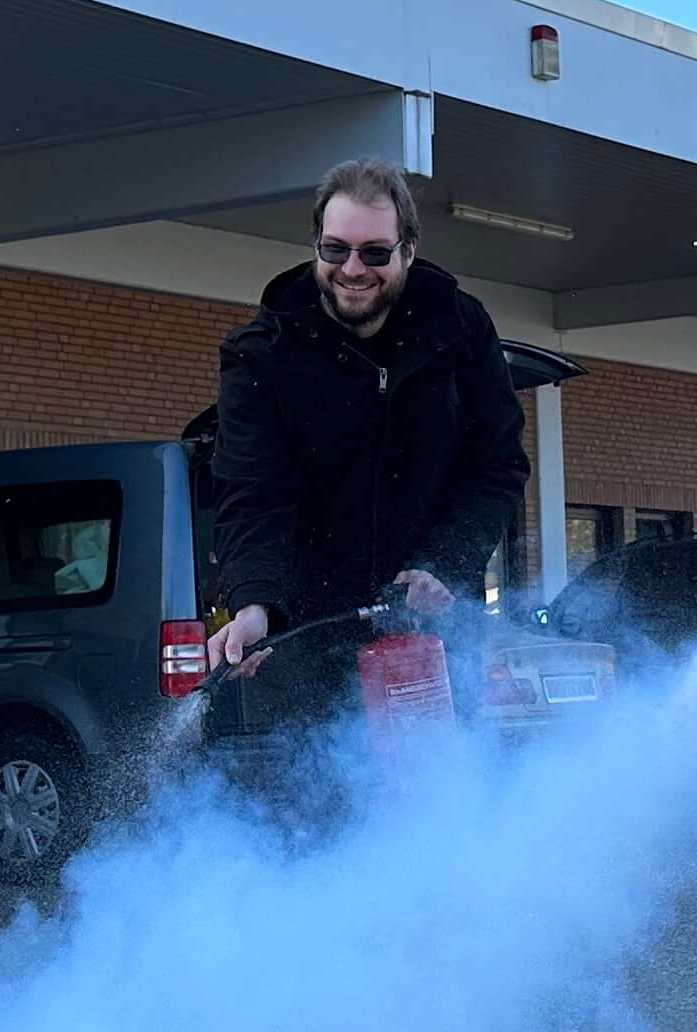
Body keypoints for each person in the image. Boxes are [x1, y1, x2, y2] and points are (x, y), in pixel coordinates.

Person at [205, 160, 529, 716]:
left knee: (445, 797)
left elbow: (496, 468)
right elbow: (252, 489)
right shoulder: (261, 353)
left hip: (433, 637)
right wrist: (255, 600)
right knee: (319, 791)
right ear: (317, 249)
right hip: (310, 647)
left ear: (407, 250)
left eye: (375, 252)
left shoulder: (460, 331)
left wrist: (445, 563)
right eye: (336, 250)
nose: (353, 269)